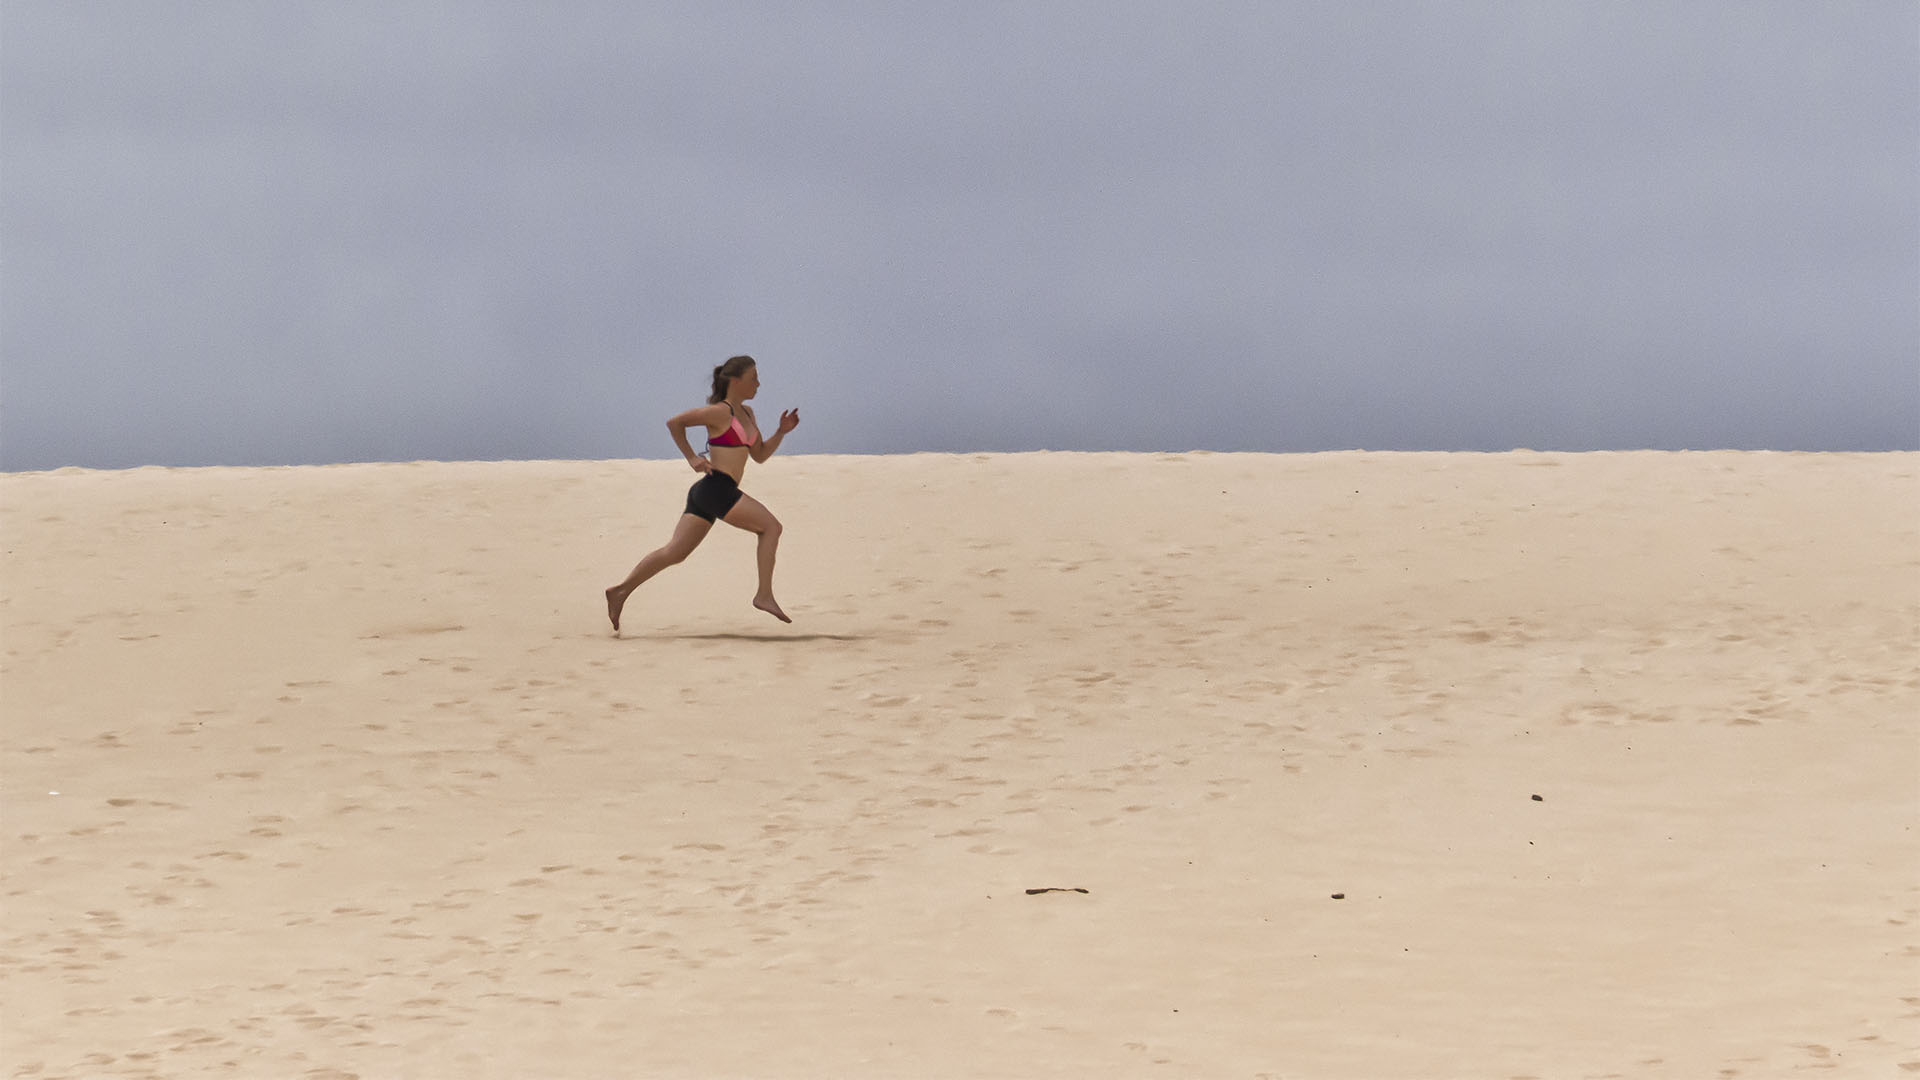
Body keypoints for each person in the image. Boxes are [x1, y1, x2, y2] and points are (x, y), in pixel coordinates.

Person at [605, 355, 800, 633]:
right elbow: (675, 423)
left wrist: (781, 432)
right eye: (753, 377)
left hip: (711, 492)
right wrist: (692, 458)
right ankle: (764, 595)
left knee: (674, 552)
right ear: (735, 381)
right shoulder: (721, 413)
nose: (758, 383)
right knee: (771, 527)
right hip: (716, 487)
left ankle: (620, 591)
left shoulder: (748, 415)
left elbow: (759, 456)